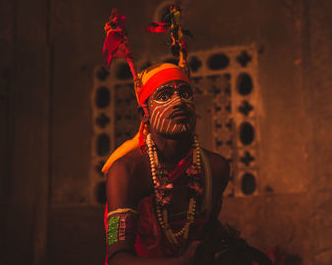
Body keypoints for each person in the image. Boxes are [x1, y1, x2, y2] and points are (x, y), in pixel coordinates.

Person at [102, 63, 272, 265]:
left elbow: (205, 233)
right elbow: (117, 260)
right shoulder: (126, 172)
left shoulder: (215, 168)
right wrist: (182, 263)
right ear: (144, 114)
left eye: (185, 93)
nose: (179, 102)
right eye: (164, 96)